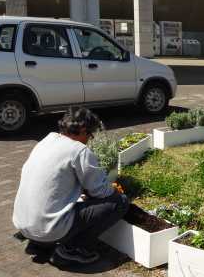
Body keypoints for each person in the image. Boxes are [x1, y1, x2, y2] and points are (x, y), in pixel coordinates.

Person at [13, 107, 128, 264]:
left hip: (24, 225)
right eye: (90, 134)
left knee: (77, 200)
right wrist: (115, 189)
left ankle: (39, 243)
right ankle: (73, 248)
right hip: (50, 230)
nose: (90, 139)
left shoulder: (46, 141)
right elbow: (100, 190)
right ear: (82, 129)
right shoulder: (79, 150)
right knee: (119, 202)